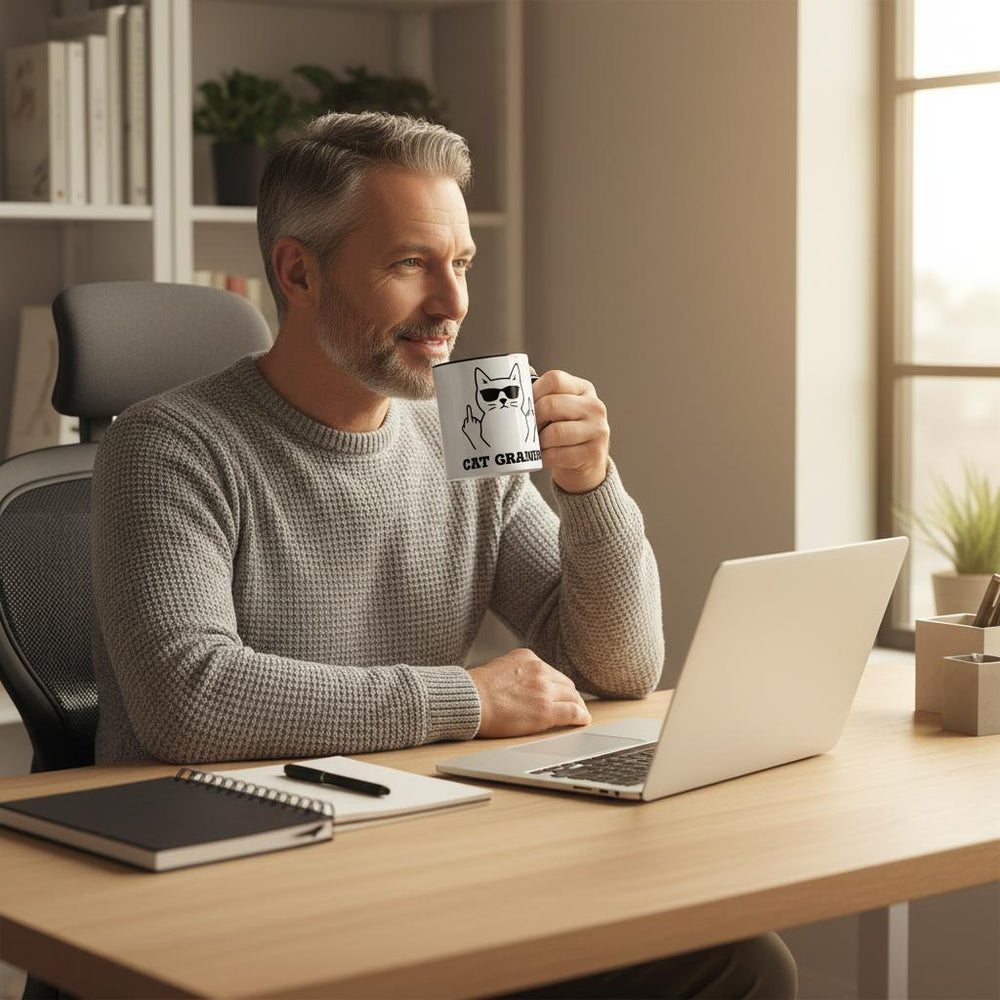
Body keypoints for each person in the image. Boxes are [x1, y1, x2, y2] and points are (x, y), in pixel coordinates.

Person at [90, 111, 796, 999]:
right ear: (298, 272)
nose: (454, 304)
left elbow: (618, 666)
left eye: (460, 263)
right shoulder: (167, 444)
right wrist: (466, 697)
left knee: (739, 962)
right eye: (410, 263)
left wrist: (590, 490)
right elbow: (190, 700)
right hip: (222, 884)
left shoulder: (463, 424)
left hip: (408, 854)